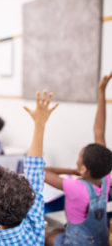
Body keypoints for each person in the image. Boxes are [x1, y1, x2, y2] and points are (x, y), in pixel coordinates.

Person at [0, 90, 58, 245]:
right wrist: (40, 124)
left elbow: (34, 171)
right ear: (28, 203)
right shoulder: (36, 226)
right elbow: (34, 171)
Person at [45, 71, 112, 246]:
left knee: (48, 236)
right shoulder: (106, 177)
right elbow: (99, 131)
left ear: (84, 169)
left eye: (79, 157)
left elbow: (39, 170)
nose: (78, 158)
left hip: (77, 243)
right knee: (60, 229)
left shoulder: (75, 187)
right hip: (100, 241)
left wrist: (72, 171)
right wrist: (101, 91)